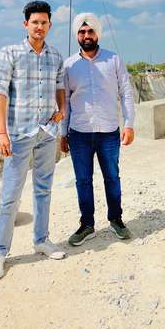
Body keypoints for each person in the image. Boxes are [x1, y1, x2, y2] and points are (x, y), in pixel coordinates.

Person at [0, 0, 66, 280]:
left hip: (46, 134)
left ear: (49, 25)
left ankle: (41, 240)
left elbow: (59, 87)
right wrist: (1, 132)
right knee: (10, 195)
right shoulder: (9, 53)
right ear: (25, 24)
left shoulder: (55, 56)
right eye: (35, 22)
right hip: (18, 135)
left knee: (43, 190)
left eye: (44, 22)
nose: (40, 27)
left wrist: (62, 110)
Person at [60, 13, 135, 246]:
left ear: (97, 34)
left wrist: (129, 124)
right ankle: (87, 225)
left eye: (90, 31)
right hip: (79, 133)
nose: (86, 36)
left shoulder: (113, 60)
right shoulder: (69, 65)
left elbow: (126, 93)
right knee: (83, 181)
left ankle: (116, 220)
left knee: (112, 177)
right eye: (82, 32)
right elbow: (65, 102)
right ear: (77, 36)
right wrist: (63, 133)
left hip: (109, 132)